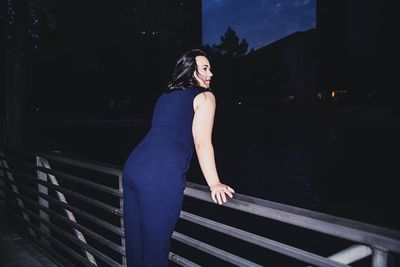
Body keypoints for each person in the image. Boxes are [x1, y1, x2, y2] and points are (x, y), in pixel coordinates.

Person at [122, 48, 235, 266]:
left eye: (210, 68)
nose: (211, 73)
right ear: (192, 71)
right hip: (159, 174)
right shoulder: (205, 96)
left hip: (133, 167)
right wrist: (214, 183)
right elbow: (202, 142)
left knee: (136, 250)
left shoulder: (165, 95)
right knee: (155, 253)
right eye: (205, 68)